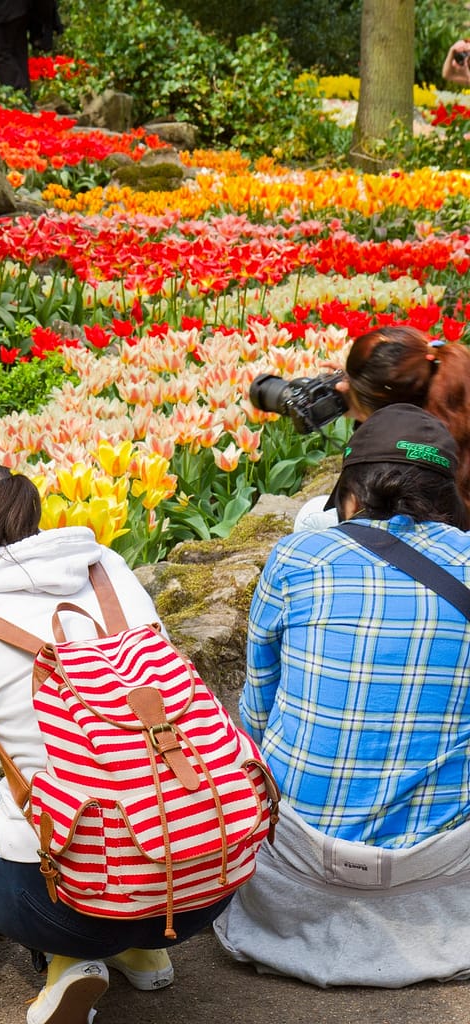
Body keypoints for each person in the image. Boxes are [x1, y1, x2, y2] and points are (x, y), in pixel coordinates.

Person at [0, 457, 232, 1024]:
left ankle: (76, 954)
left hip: (72, 908)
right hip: (207, 880)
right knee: (102, 775)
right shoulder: (105, 567)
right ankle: (140, 948)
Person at [215, 404, 470, 987]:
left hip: (300, 868)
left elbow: (255, 716)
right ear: (447, 494)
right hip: (440, 877)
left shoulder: (296, 558)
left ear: (350, 493)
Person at [293, 325, 470, 530]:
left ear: (389, 411)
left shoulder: (411, 452)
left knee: (311, 515)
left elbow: (361, 507)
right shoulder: (455, 386)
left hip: (434, 541)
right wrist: (366, 392)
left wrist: (363, 413)